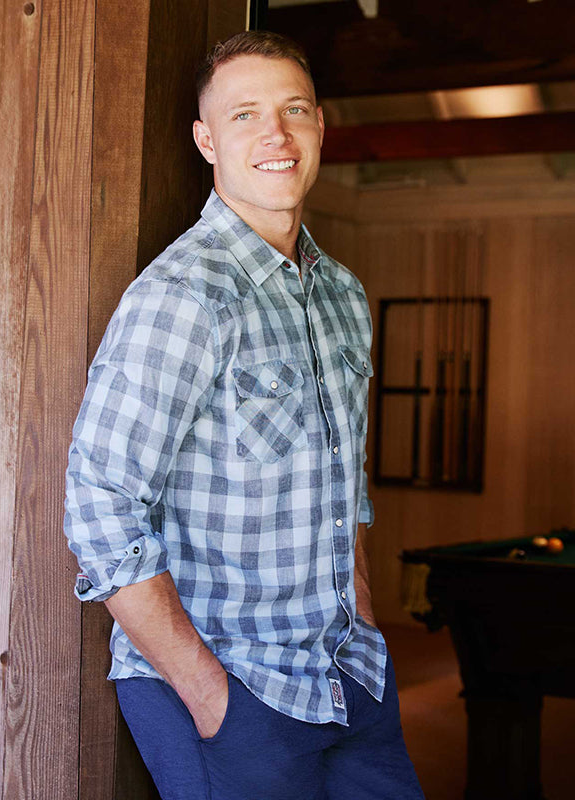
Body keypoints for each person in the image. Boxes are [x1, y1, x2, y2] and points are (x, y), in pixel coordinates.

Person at [64, 30, 424, 800]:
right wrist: (210, 696)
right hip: (233, 693)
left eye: (294, 109)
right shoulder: (183, 296)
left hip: (347, 678)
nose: (276, 135)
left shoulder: (343, 296)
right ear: (206, 140)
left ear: (320, 126)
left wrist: (363, 611)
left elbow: (344, 474)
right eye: (245, 114)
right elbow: (99, 505)